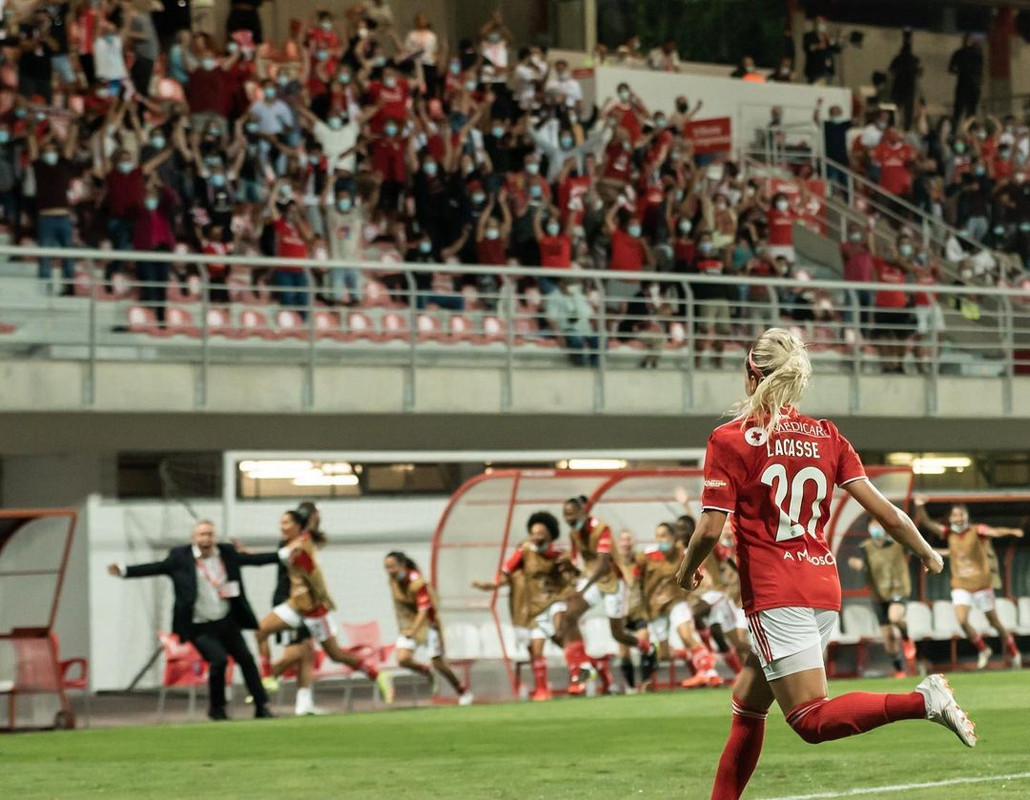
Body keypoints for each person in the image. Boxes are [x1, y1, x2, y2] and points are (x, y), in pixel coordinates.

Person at [675, 327, 976, 800]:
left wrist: (686, 569)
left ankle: (922, 701)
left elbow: (710, 529)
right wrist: (927, 552)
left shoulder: (730, 438)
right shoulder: (827, 436)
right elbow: (888, 514)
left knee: (810, 720)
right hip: (821, 587)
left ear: (750, 376)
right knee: (748, 706)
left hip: (776, 593)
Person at [107, 519, 279, 720]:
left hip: (226, 621)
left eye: (210, 534)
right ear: (193, 538)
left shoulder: (226, 553)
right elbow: (155, 567)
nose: (206, 539)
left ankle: (261, 706)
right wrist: (124, 571)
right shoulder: (180, 557)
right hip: (199, 625)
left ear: (214, 537)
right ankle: (217, 709)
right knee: (219, 660)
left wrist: (282, 556)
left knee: (247, 660)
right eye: (201, 535)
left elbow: (254, 560)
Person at [254, 511, 396, 704]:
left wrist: (323, 598)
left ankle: (377, 674)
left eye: (286, 522)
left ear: (297, 526)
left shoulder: (300, 547)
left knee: (336, 655)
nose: (282, 526)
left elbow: (313, 575)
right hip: (295, 605)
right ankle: (267, 678)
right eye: (281, 522)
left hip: (314, 609)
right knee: (260, 630)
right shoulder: (293, 544)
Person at [557, 495, 657, 693]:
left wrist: (582, 589)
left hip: (613, 581)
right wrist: (570, 569)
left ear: (583, 512)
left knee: (617, 634)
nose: (569, 518)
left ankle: (648, 648)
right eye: (565, 515)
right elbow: (579, 564)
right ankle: (583, 666)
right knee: (568, 617)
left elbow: (603, 565)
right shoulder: (574, 534)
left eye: (572, 514)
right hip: (593, 580)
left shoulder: (601, 528)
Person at [472, 511, 576, 701]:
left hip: (553, 601)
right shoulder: (524, 551)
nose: (536, 536)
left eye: (541, 533)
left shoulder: (558, 554)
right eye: (533, 532)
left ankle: (580, 673)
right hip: (531, 610)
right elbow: (506, 571)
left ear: (550, 534)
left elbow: (571, 574)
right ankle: (544, 687)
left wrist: (569, 568)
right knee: (536, 651)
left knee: (558, 636)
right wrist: (491, 585)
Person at [913, 497, 1024, 669]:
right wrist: (919, 506)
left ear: (966, 516)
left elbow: (994, 532)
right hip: (961, 585)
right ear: (950, 518)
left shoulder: (977, 530)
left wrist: (1012, 531)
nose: (958, 518)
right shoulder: (948, 534)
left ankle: (1014, 651)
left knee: (994, 622)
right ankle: (983, 649)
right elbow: (927, 523)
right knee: (962, 620)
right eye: (955, 515)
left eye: (961, 514)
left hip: (981, 584)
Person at [636, 522, 720, 690]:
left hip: (676, 601)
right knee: (664, 655)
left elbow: (699, 573)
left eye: (664, 535)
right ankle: (700, 657)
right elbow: (637, 577)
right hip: (655, 606)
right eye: (658, 536)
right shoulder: (646, 555)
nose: (660, 539)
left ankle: (708, 671)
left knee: (686, 635)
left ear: (673, 537)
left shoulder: (683, 554)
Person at [385, 551, 475, 706]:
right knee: (403, 659)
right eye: (386, 567)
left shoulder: (417, 582)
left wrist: (414, 630)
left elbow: (424, 610)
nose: (389, 570)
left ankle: (463, 691)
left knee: (438, 662)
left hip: (428, 624)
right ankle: (427, 671)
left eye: (392, 566)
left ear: (402, 565)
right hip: (410, 625)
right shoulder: (393, 581)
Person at [847, 519, 917, 678]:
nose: (876, 530)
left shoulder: (898, 544)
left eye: (879, 527)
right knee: (888, 637)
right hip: (878, 595)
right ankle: (899, 670)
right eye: (873, 527)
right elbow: (852, 559)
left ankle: (906, 638)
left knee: (895, 617)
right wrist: (856, 563)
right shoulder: (865, 547)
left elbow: (915, 549)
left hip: (898, 589)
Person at [888, 30, 921, 131]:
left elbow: (891, 70)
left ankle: (904, 126)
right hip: (902, 86)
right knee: (900, 109)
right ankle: (899, 126)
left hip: (906, 87)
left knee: (905, 109)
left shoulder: (911, 60)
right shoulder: (907, 59)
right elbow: (891, 70)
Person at [949, 34, 983, 128]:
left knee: (961, 110)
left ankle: (959, 128)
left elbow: (952, 68)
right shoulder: (976, 53)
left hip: (966, 84)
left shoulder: (963, 53)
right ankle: (967, 129)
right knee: (968, 110)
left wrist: (961, 71)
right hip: (970, 85)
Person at [802, 16, 841, 86]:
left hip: (828, 70)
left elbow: (837, 49)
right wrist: (817, 46)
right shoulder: (809, 36)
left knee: (827, 89)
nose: (821, 25)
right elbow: (806, 47)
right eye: (819, 23)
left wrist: (828, 39)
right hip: (814, 70)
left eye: (823, 23)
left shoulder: (828, 37)